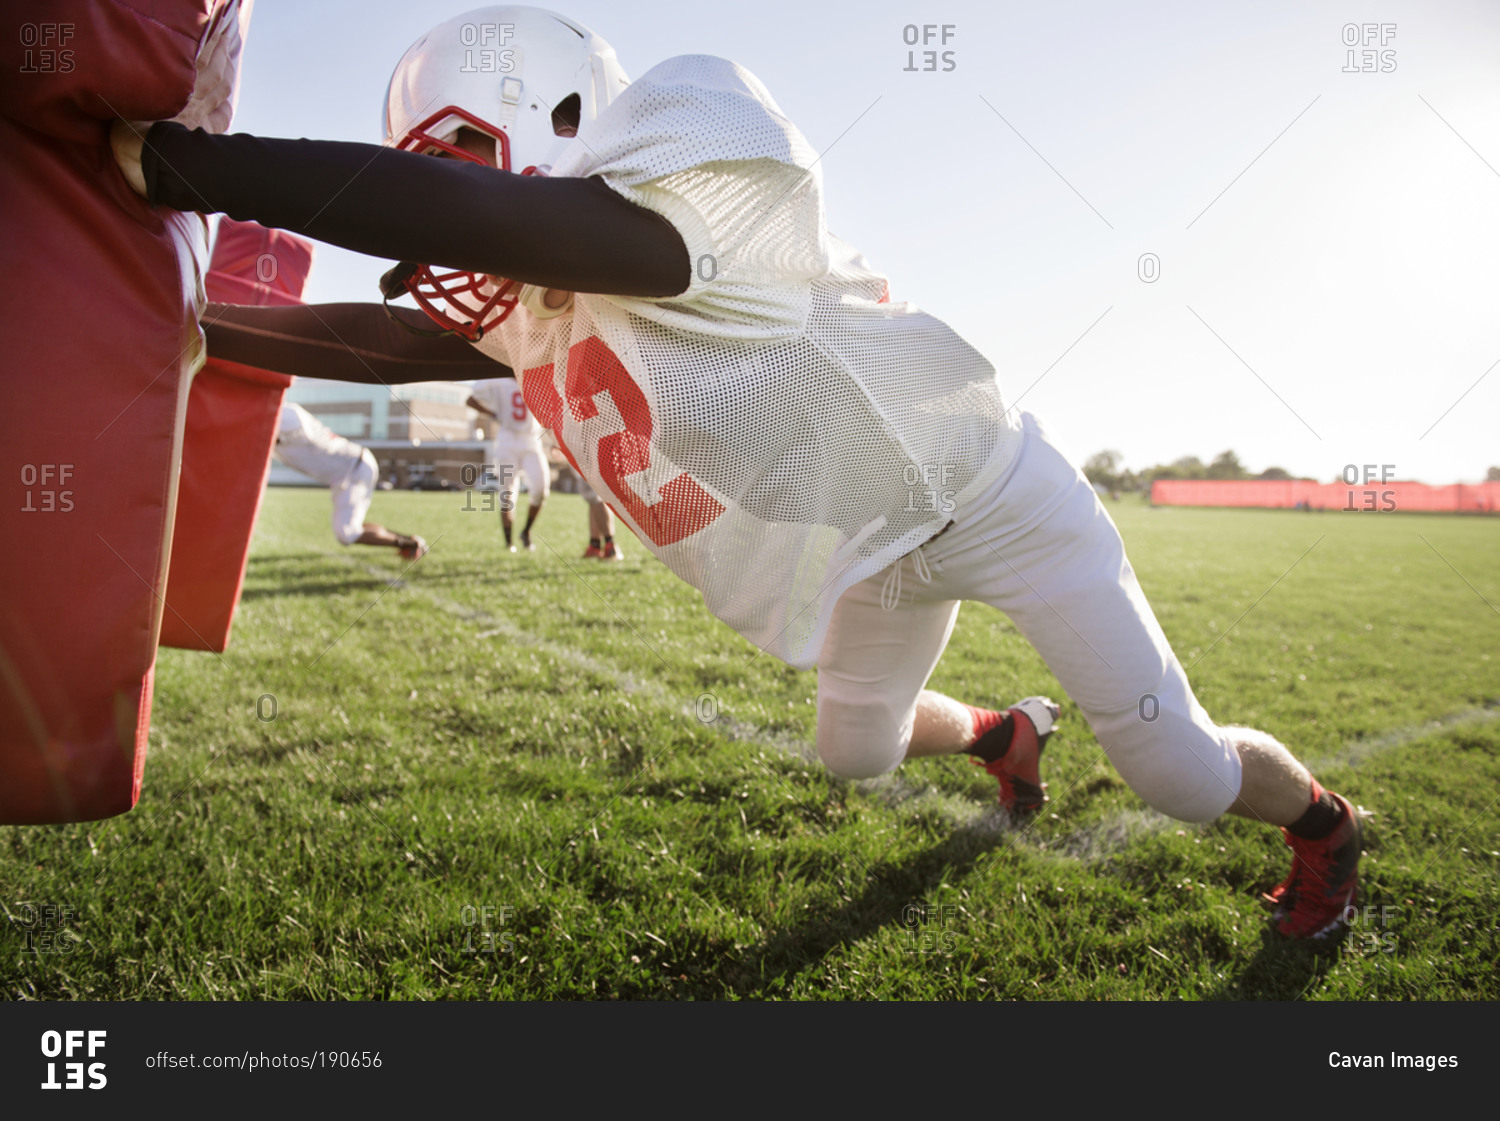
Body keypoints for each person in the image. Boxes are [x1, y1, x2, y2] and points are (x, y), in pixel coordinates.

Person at [110, 5, 1361, 939]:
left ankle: (1327, 826)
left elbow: (523, 229)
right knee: (854, 756)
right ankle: (1003, 732)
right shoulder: (526, 283)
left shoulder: (686, 137)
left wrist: (190, 163)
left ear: (558, 121)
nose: (450, 201)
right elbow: (384, 331)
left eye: (459, 163)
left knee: (1178, 778)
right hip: (877, 546)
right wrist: (202, 327)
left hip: (994, 496)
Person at [275, 403, 428, 560]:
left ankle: (411, 545)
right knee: (351, 528)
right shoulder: (281, 414)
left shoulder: (288, 413)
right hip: (348, 471)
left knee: (347, 533)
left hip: (354, 467)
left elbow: (274, 435)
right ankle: (409, 541)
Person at [467, 377, 549, 551]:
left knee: (541, 489)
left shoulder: (534, 377)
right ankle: (509, 542)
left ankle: (526, 531)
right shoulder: (499, 381)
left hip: (532, 439)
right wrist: (492, 413)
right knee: (507, 493)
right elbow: (470, 399)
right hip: (507, 439)